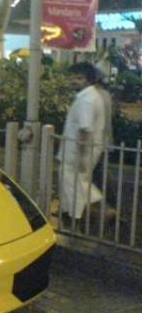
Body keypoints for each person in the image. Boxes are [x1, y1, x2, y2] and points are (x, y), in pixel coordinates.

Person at [57, 62, 110, 221]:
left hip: (78, 150)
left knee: (74, 183)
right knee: (75, 182)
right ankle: (71, 213)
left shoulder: (86, 100)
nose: (73, 81)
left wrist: (80, 156)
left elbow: (85, 129)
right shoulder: (89, 96)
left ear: (89, 80)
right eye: (71, 77)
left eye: (79, 78)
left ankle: (78, 216)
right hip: (80, 149)